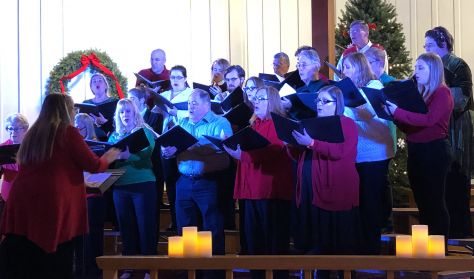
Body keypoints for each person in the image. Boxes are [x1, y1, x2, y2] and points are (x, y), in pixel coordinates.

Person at [0, 94, 120, 279]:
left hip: (24, 200)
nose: (74, 112)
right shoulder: (68, 132)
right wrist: (110, 156)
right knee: (55, 256)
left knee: (29, 256)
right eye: (73, 108)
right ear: (65, 110)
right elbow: (93, 166)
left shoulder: (33, 132)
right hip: (52, 201)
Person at [288, 85, 360, 279]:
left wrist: (311, 143)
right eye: (318, 101)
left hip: (336, 188)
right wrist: (292, 142)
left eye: (325, 101)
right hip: (312, 189)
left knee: (341, 243)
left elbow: (341, 152)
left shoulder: (347, 124)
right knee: (318, 241)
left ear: (337, 104)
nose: (319, 105)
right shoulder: (310, 124)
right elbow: (299, 155)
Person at [224, 86, 293, 279]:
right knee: (254, 241)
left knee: (273, 242)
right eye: (255, 98)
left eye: (261, 98)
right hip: (251, 189)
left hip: (270, 189)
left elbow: (274, 149)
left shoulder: (279, 123)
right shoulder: (254, 124)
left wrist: (242, 155)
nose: (256, 101)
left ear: (272, 101)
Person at [386, 52, 453, 238]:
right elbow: (411, 127)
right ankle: (427, 251)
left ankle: (440, 250)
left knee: (435, 202)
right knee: (423, 202)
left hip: (434, 151)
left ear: (433, 70)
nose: (416, 72)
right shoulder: (422, 94)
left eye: (421, 68)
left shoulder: (442, 92)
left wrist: (398, 111)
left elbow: (429, 120)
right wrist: (393, 115)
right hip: (416, 150)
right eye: (415, 68)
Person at [161, 89, 233, 259]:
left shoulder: (220, 123)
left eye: (194, 103)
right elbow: (172, 150)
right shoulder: (182, 123)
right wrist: (167, 152)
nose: (190, 107)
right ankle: (189, 270)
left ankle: (213, 272)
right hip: (184, 181)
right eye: (188, 103)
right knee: (185, 228)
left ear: (207, 104)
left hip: (209, 181)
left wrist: (195, 146)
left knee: (212, 227)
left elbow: (224, 148)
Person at [342, 52, 396, 255]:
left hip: (375, 154)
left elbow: (365, 113)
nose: (344, 71)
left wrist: (340, 106)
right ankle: (358, 248)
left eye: (347, 67)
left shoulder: (374, 87)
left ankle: (371, 251)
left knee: (371, 202)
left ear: (358, 68)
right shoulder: (348, 89)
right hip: (355, 155)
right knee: (358, 202)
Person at [425, 26, 473, 238]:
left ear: (443, 44)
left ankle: (460, 237)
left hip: (456, 132)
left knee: (456, 186)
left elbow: (461, 100)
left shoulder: (458, 65)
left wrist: (433, 98)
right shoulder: (428, 66)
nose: (425, 49)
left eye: (430, 45)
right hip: (435, 134)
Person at [108, 99, 158, 279]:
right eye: (121, 112)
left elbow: (148, 153)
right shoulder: (114, 136)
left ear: (135, 113)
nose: (125, 115)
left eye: (128, 112)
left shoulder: (144, 131)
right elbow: (108, 156)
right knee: (126, 226)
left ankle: (148, 268)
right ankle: (129, 266)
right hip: (121, 186)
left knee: (146, 227)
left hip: (143, 183)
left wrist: (130, 155)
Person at [73, 113, 107, 279]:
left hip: (93, 197)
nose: (78, 131)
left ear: (88, 127)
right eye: (76, 128)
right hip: (76, 197)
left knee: (93, 235)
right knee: (78, 236)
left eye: (81, 128)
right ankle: (81, 269)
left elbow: (100, 168)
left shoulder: (97, 146)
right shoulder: (72, 145)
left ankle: (95, 269)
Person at [284, 49, 328, 120]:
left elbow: (315, 118)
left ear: (316, 66)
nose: (300, 68)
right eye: (299, 65)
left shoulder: (324, 89)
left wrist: (291, 107)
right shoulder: (298, 90)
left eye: (304, 65)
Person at [0, 114, 29, 203]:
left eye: (16, 128)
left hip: (27, 193)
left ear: (25, 129)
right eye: (10, 128)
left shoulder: (31, 147)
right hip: (7, 195)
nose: (12, 132)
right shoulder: (2, 147)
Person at [84, 73, 118, 140]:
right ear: (91, 87)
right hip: (90, 140)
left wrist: (105, 122)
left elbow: (119, 125)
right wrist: (89, 122)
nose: (97, 82)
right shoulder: (85, 104)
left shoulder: (115, 102)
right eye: (94, 81)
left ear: (106, 85)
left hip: (110, 138)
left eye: (100, 80)